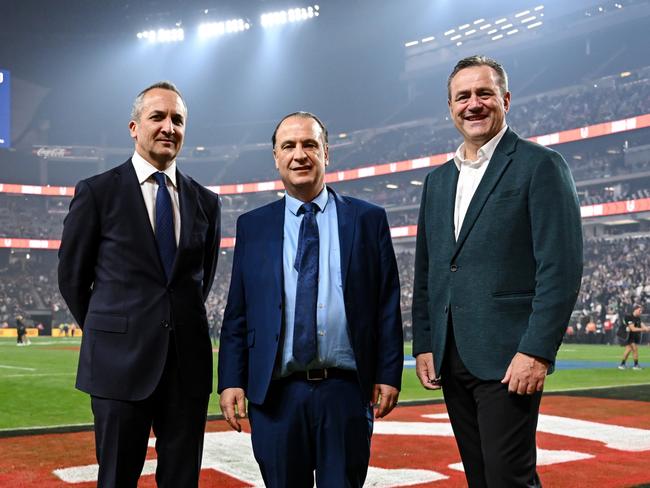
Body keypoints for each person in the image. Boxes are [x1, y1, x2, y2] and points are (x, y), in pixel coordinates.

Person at [412, 55, 583, 487]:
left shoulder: (540, 165)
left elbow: (560, 268)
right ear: (450, 107)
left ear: (505, 99)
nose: (474, 104)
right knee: (480, 477)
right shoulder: (437, 182)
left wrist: (538, 351)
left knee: (509, 478)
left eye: (484, 93)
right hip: (452, 357)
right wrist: (425, 343)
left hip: (510, 357)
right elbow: (429, 269)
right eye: (463, 96)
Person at [218, 111, 403, 488]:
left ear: (326, 153)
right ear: (276, 156)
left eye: (310, 145)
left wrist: (387, 372)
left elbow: (386, 303)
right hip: (276, 395)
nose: (299, 154)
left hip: (345, 391)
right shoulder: (252, 226)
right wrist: (230, 380)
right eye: (289, 146)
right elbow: (238, 311)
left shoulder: (368, 219)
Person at [58, 81, 221, 488]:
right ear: (134, 127)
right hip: (118, 364)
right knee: (116, 479)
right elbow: (72, 277)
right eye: (158, 117)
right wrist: (116, 328)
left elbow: (201, 280)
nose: (169, 127)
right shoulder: (97, 192)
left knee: (182, 480)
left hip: (187, 366)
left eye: (178, 120)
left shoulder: (206, 201)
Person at [618, 305, 649, 370]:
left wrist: (647, 328)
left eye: (641, 311)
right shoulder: (628, 317)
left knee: (629, 349)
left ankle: (622, 365)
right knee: (634, 348)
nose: (641, 312)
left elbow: (642, 325)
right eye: (639, 310)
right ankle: (635, 365)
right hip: (624, 335)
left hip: (630, 335)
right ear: (635, 310)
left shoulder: (638, 318)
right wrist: (644, 329)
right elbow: (633, 329)